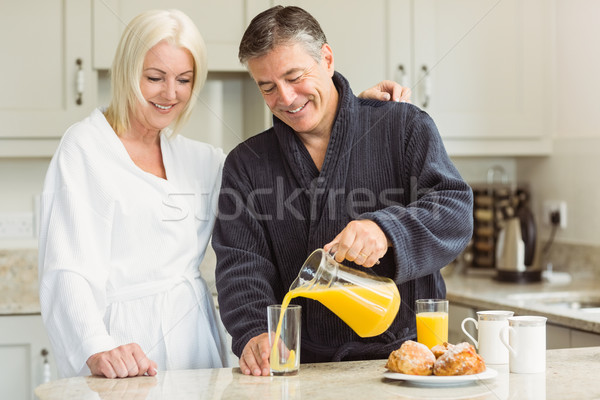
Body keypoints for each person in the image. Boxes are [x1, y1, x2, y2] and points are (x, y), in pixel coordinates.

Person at [38, 8, 408, 379]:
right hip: (121, 345)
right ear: (126, 73)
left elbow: (278, 170)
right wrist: (95, 346)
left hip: (195, 348)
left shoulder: (197, 159)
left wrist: (354, 115)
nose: (170, 93)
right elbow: (65, 266)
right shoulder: (85, 147)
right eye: (154, 77)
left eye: (183, 80)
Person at [212, 5, 474, 377]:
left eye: (294, 76)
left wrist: (387, 231)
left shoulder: (401, 126)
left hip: (410, 364)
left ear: (327, 59)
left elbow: (455, 211)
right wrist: (254, 331)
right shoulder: (247, 163)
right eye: (267, 87)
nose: (285, 98)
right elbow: (241, 263)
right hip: (304, 369)